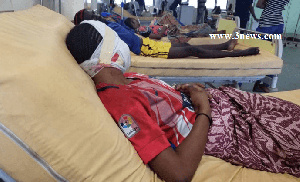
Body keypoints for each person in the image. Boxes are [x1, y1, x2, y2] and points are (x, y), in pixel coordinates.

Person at [65, 21, 300, 181]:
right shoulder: (120, 102)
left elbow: (159, 106)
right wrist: (203, 108)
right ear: (108, 52)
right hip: (227, 123)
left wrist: (181, 92)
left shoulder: (125, 79)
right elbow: (178, 173)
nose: (124, 44)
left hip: (225, 103)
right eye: (116, 39)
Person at [74, 9, 259, 59]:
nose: (95, 15)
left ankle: (224, 45)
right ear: (88, 22)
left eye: (93, 13)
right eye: (91, 16)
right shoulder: (98, 30)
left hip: (142, 41)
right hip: (144, 48)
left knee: (188, 45)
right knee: (190, 50)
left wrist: (131, 25)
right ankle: (238, 53)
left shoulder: (107, 21)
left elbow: (126, 29)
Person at [253, 0, 290, 92]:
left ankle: (242, 81)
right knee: (273, 53)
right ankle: (264, 84)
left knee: (259, 52)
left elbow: (259, 5)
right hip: (278, 24)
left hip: (267, 23)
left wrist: (268, 4)